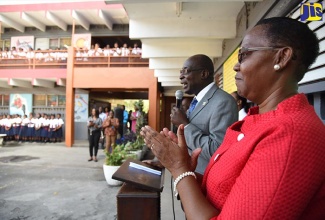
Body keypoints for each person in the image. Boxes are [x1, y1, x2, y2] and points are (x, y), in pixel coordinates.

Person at [141, 17, 325, 219]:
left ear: (281, 58)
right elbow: (226, 190)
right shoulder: (257, 121)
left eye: (244, 55)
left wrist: (179, 169)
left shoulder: (289, 134)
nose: (236, 66)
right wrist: (181, 164)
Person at [170, 54, 238, 174]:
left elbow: (217, 150)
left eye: (186, 71)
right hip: (188, 176)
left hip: (205, 181)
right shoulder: (196, 101)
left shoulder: (223, 102)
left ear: (204, 74)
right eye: (181, 72)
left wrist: (185, 125)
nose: (181, 76)